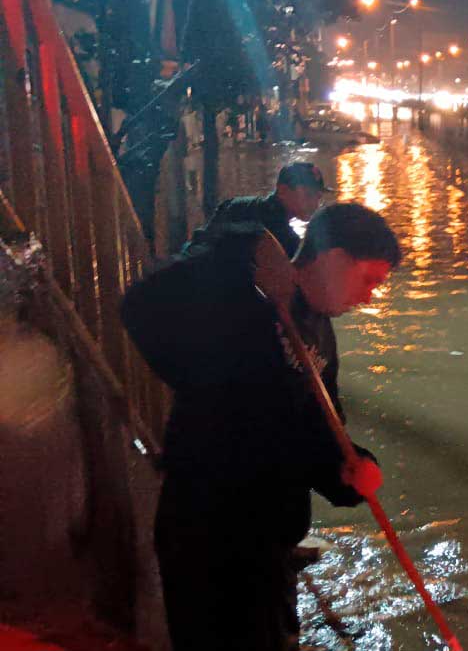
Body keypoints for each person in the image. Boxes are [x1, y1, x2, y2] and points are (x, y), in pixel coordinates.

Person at [121, 203, 401, 651]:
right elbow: (140, 305)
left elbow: (319, 437)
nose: (369, 297)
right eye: (368, 280)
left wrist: (351, 472)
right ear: (334, 259)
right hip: (207, 531)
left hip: (270, 544)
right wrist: (239, 249)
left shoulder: (319, 334)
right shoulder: (238, 295)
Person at [186, 161, 333, 258]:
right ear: (282, 190)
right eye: (308, 195)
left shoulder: (234, 204)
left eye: (318, 196)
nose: (314, 203)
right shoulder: (285, 241)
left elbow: (200, 243)